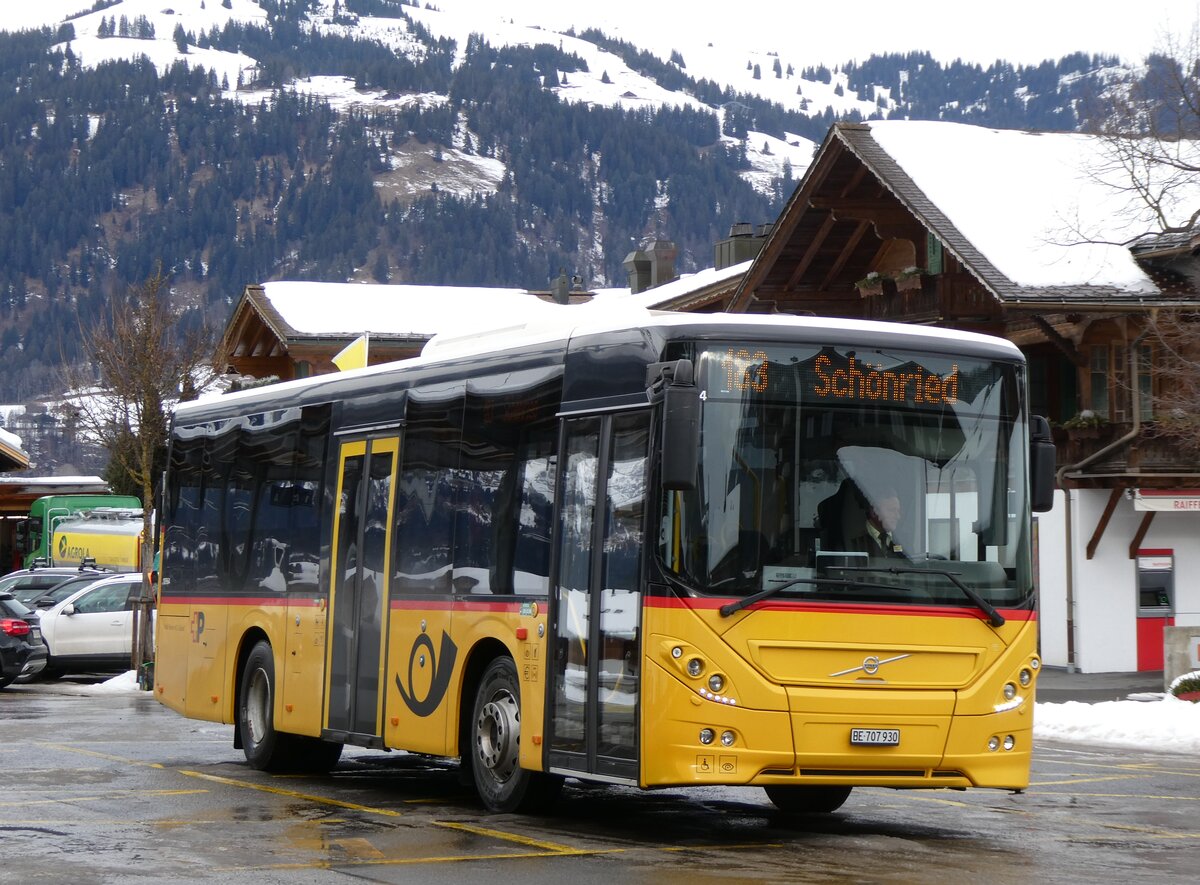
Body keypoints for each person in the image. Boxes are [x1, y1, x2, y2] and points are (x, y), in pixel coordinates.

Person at [846, 489, 907, 559]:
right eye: (891, 510)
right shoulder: (853, 539)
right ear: (874, 512)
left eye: (898, 511)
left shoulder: (903, 540)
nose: (898, 516)